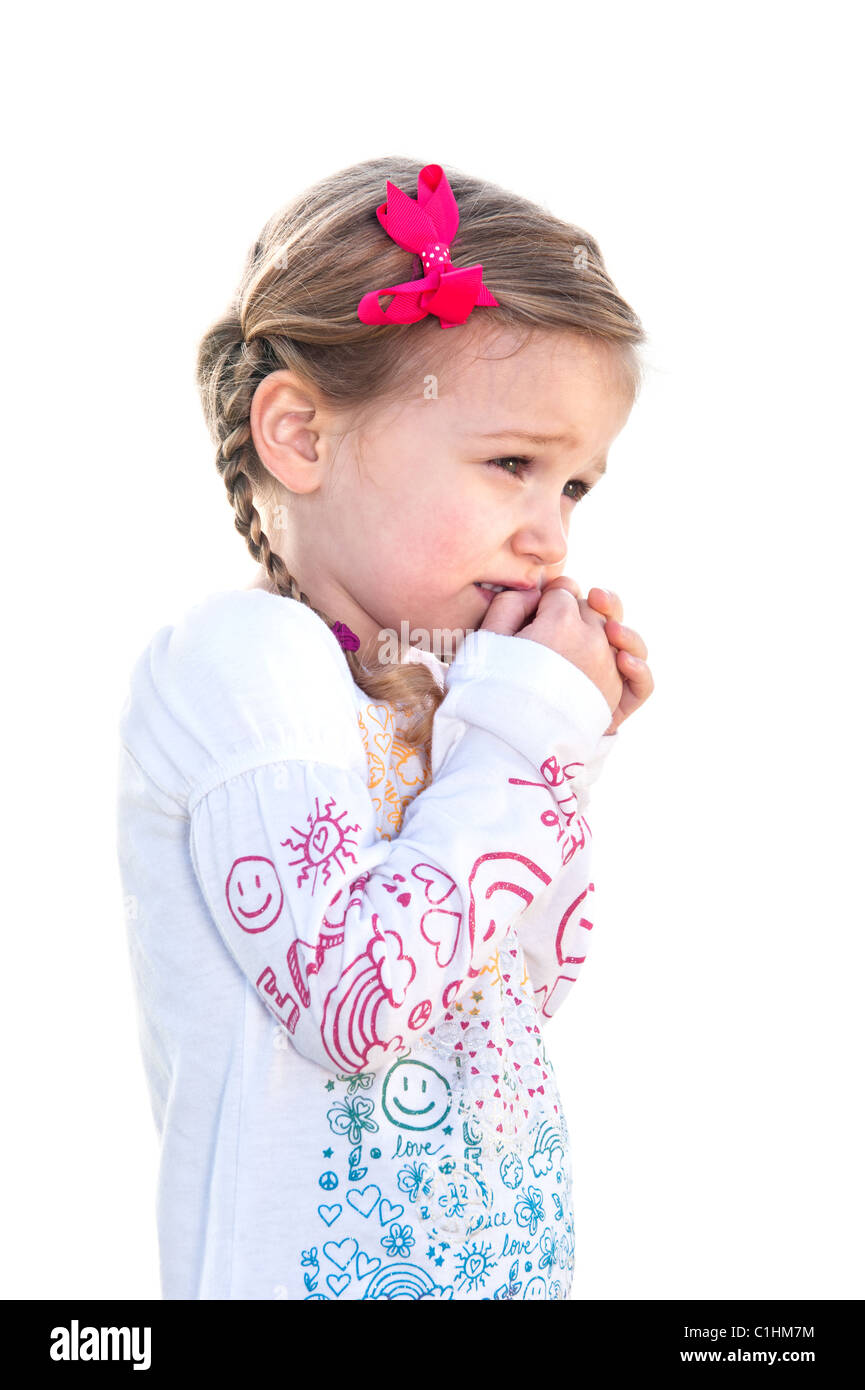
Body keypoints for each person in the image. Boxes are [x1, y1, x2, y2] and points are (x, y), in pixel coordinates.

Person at [116, 157, 654, 1301]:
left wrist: (555, 747)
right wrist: (521, 744)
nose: (550, 538)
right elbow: (360, 1003)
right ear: (300, 436)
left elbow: (522, 984)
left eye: (573, 487)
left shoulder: (433, 701)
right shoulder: (241, 663)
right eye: (512, 464)